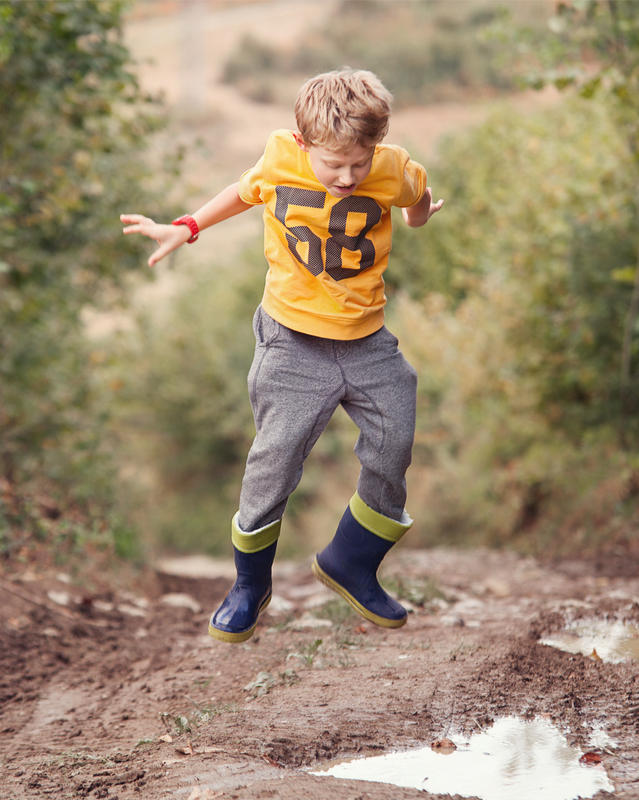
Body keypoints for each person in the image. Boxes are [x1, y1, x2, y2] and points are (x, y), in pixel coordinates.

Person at [120, 68, 444, 643]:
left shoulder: (392, 167)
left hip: (368, 343)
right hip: (292, 343)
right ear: (303, 144)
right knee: (275, 461)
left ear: (377, 146)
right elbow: (243, 192)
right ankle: (249, 586)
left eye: (358, 163)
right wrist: (187, 226)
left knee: (395, 442)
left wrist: (420, 216)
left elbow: (415, 197)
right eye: (332, 164)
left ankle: (352, 561)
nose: (346, 177)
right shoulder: (279, 158)